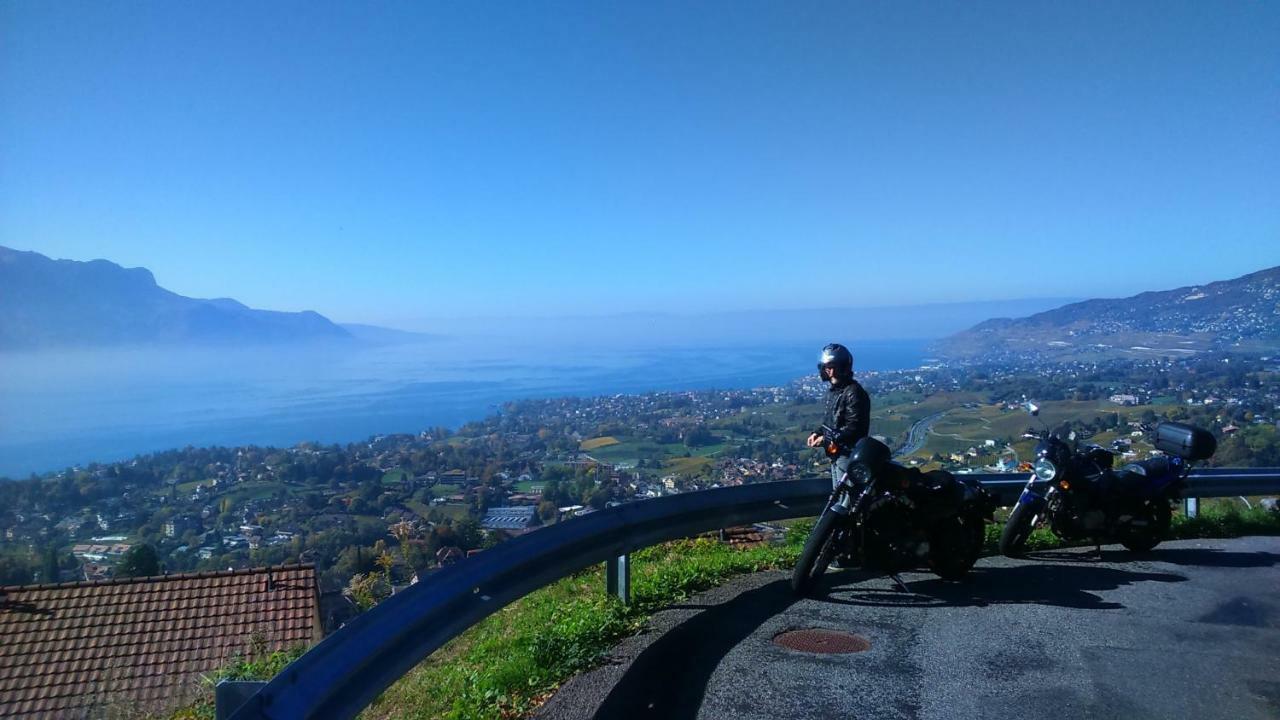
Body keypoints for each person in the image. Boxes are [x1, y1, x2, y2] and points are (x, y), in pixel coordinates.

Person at [806, 343, 871, 490]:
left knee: (846, 500)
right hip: (835, 453)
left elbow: (854, 428)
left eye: (832, 366)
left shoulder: (854, 392)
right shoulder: (834, 392)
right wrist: (817, 433)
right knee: (839, 497)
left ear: (842, 367)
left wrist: (826, 438)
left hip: (848, 454)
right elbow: (830, 422)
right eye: (826, 367)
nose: (828, 370)